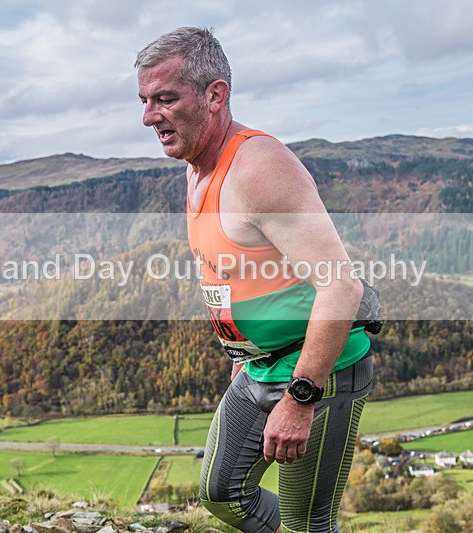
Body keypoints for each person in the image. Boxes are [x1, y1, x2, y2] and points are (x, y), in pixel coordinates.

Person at [136, 27, 374, 533]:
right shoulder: (196, 164)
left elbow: (342, 287)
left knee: (307, 523)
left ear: (215, 95)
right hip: (256, 367)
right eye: (144, 100)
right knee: (222, 493)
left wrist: (300, 399)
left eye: (165, 99)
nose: (149, 116)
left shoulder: (260, 167)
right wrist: (241, 354)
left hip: (317, 373)